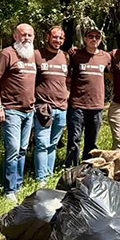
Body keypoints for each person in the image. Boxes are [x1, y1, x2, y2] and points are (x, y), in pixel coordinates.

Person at [0, 23, 37, 202]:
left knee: (23, 150)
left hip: (29, 111)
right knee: (13, 150)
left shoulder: (33, 56)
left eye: (29, 35)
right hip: (11, 111)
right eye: (23, 34)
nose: (26, 38)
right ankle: (9, 190)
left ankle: (18, 185)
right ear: (15, 36)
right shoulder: (7, 54)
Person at [65, 27, 111, 167]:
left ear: (101, 40)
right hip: (77, 105)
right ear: (85, 39)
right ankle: (72, 167)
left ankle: (88, 167)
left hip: (97, 106)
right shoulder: (76, 55)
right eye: (91, 36)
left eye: (97, 37)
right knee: (74, 139)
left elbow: (115, 74)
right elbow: (66, 74)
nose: (94, 39)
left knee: (92, 141)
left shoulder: (106, 57)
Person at [33, 26, 70, 180]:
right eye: (55, 37)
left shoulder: (66, 57)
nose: (57, 40)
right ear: (48, 37)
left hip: (61, 108)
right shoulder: (36, 55)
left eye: (61, 38)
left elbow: (68, 80)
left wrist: (67, 96)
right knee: (42, 144)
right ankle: (41, 179)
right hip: (43, 107)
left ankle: (49, 174)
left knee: (53, 144)